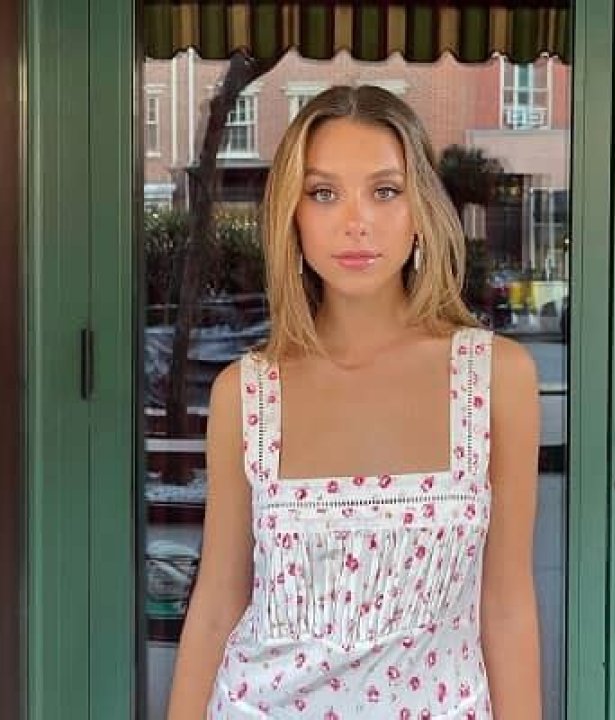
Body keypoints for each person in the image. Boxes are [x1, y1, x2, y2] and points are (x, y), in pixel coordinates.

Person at [167, 84, 541, 719]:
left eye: (385, 191)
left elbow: (506, 606)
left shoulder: (494, 378)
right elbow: (217, 604)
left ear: (422, 209)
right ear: (292, 215)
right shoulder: (247, 393)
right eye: (323, 193)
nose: (356, 221)